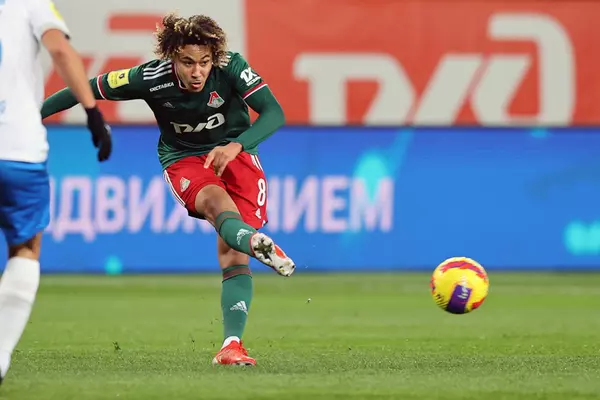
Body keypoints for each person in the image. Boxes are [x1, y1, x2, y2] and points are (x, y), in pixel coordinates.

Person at [41, 12, 296, 366]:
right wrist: (32, 116)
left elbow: (274, 113)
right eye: (188, 62)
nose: (197, 72)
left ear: (214, 57)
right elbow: (82, 88)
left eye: (204, 62)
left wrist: (237, 145)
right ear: (172, 57)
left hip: (237, 155)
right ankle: (254, 242)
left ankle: (231, 345)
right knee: (214, 203)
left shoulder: (232, 67)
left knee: (232, 254)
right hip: (185, 159)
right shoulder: (149, 77)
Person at [0, 0, 112, 385]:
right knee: (25, 249)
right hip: (18, 150)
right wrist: (92, 113)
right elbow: (60, 51)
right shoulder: (30, 3)